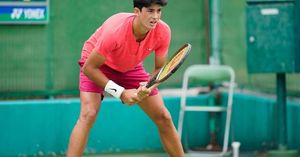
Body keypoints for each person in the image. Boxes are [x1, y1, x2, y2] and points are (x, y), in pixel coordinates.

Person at [67, 0, 185, 156]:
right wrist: (121, 93)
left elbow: (160, 69)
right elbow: (89, 68)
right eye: (150, 11)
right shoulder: (115, 31)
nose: (155, 16)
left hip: (130, 67)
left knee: (164, 117)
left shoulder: (163, 31)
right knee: (88, 114)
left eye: (158, 11)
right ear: (137, 11)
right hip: (96, 64)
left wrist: (148, 87)